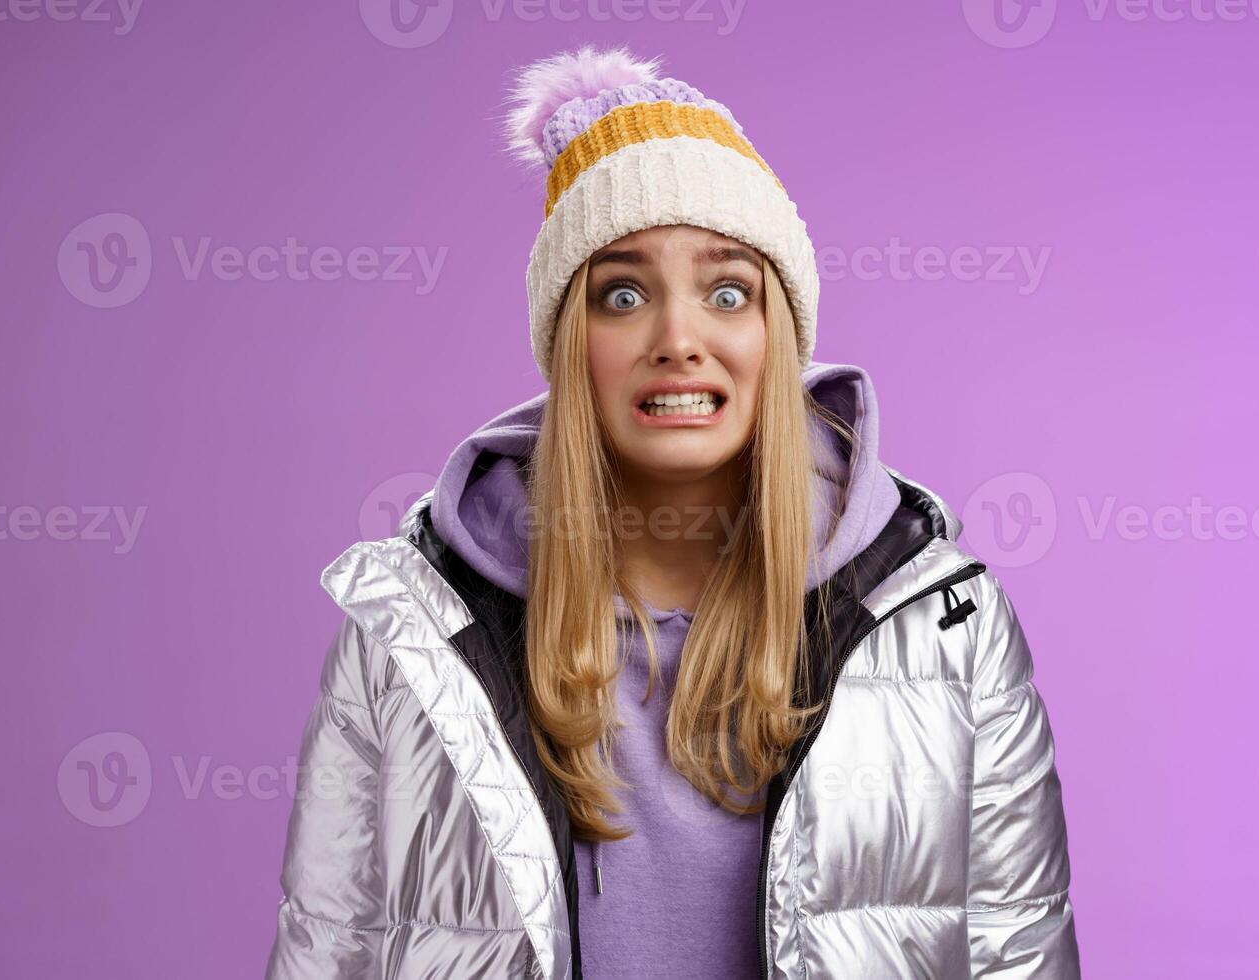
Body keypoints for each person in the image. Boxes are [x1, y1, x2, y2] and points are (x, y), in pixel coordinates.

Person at [267, 46, 1080, 979]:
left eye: (728, 291)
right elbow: (328, 946)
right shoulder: (409, 631)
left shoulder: (945, 627)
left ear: (776, 336)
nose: (679, 340)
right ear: (573, 346)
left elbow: (1021, 949)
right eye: (623, 294)